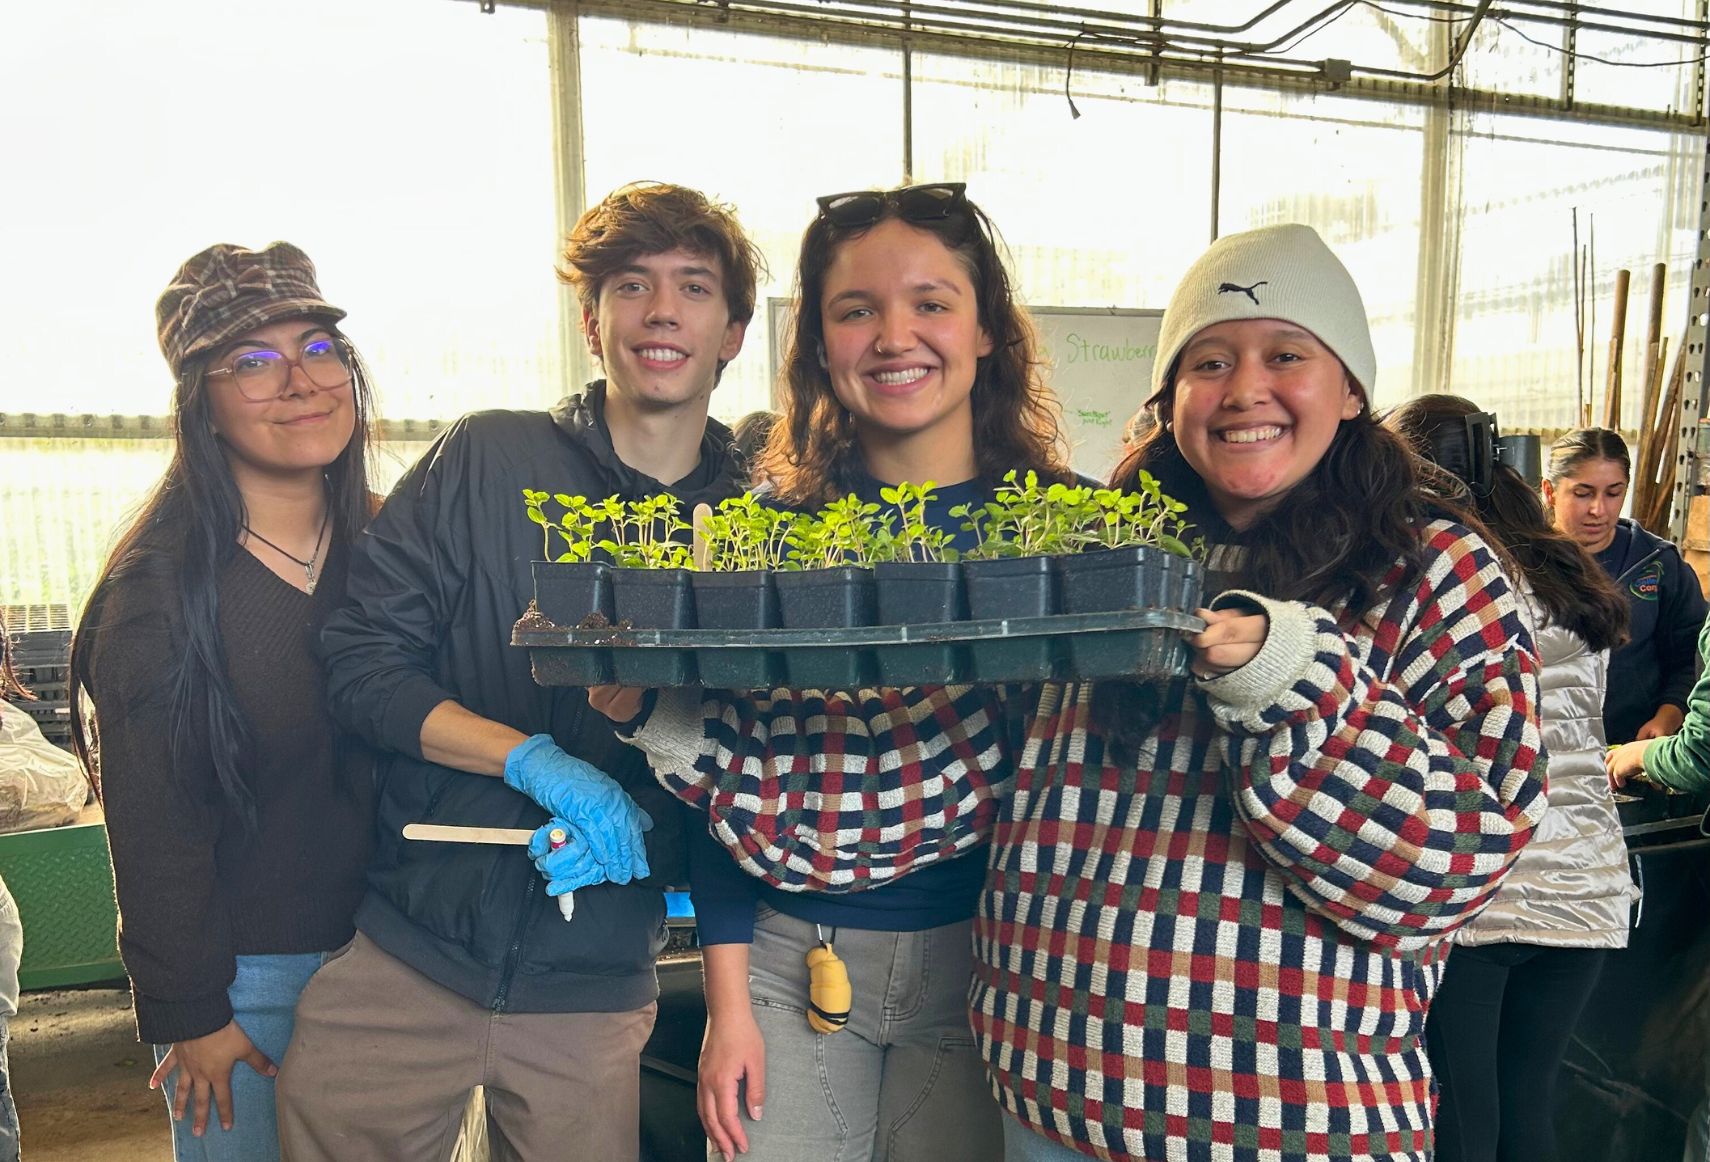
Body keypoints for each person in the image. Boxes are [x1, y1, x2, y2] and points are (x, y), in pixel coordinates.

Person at [622, 223, 1548, 1162]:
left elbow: (1456, 865)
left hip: (1285, 1122)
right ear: (1171, 397)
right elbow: (934, 793)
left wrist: (1287, 674)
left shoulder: (1433, 571)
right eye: (1210, 361)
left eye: (1287, 355)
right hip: (1049, 1110)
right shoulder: (1103, 562)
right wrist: (674, 728)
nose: (1244, 390)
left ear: (1350, 385)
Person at [276, 182, 762, 1161]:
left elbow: (754, 756)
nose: (661, 311)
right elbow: (360, 662)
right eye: (631, 286)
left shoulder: (755, 517)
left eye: (693, 288)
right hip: (406, 957)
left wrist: (648, 833)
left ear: (734, 331)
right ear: (593, 320)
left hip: (593, 986)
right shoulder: (490, 459)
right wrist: (529, 758)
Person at [599, 180, 1073, 1162]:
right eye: (857, 310)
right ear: (819, 344)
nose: (895, 336)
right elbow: (726, 782)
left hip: (994, 967)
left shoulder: (1058, 530)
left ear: (986, 330)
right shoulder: (761, 538)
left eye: (931, 303)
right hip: (785, 959)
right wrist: (727, 1006)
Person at [68, 242, 378, 1161]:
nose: (300, 382)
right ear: (197, 400)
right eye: (251, 362)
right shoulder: (160, 595)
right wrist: (193, 1011)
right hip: (250, 988)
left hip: (403, 966)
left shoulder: (395, 553)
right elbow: (155, 830)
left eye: (318, 349)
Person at [1389, 396, 1633, 1162]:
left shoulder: (1442, 573)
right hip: (1586, 887)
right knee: (1529, 1105)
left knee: (1462, 1117)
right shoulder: (1566, 570)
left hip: (1485, 889)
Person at [1543, 428, 1707, 743]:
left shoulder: (1658, 565)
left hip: (1631, 753)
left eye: (1613, 492)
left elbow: (1692, 658)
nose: (1598, 509)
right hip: (1542, 756)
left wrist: (1666, 718)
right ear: (1549, 491)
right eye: (1583, 493)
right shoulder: (1521, 562)